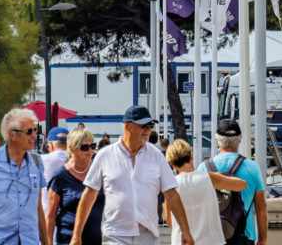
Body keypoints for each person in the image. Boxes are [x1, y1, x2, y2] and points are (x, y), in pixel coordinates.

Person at [71, 105, 195, 245]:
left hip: (148, 235)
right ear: (127, 127)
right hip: (115, 234)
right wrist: (76, 234)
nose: (148, 130)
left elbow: (171, 194)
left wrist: (185, 231)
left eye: (150, 126)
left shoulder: (156, 155)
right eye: (144, 126)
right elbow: (89, 194)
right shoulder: (105, 155)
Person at [0, 108, 52, 245]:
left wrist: (46, 243)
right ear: (12, 135)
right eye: (29, 131)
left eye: (35, 130)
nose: (34, 136)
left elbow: (37, 207)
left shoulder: (36, 162)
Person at [197, 120, 266, 245]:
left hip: (211, 236)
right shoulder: (252, 167)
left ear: (217, 140)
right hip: (244, 235)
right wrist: (263, 239)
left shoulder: (203, 168)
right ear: (240, 139)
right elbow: (261, 206)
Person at [165, 139, 247, 245]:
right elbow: (241, 184)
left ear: (172, 164)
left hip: (181, 241)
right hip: (210, 240)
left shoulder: (170, 186)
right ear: (191, 155)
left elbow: (169, 220)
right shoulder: (208, 178)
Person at [45, 128, 104, 245]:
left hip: (98, 239)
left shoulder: (100, 172)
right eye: (84, 147)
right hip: (68, 240)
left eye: (92, 146)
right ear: (71, 149)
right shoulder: (60, 177)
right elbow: (51, 216)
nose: (90, 151)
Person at [40, 126, 69, 216]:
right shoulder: (76, 160)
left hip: (47, 213)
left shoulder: (43, 160)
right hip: (69, 215)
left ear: (50, 144)